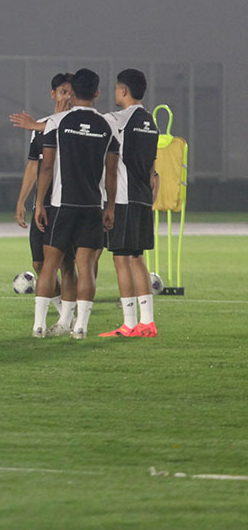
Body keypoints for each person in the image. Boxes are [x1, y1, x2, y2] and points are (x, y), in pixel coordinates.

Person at [33, 68, 119, 339]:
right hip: (93, 206)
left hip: (62, 205)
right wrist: (110, 207)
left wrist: (39, 204)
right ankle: (80, 326)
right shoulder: (108, 125)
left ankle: (38, 326)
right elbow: (112, 172)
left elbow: (46, 168)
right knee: (86, 266)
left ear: (73, 91)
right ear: (96, 92)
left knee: (50, 264)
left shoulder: (57, 122)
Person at [12, 73, 79, 333]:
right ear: (53, 94)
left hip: (68, 203)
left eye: (72, 92)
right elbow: (34, 166)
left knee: (66, 264)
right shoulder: (39, 126)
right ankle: (65, 314)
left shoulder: (76, 125)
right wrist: (22, 200)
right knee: (39, 264)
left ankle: (67, 319)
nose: (68, 97)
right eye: (63, 92)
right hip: (43, 204)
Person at [98, 69, 161, 338]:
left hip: (122, 199)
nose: (114, 94)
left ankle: (129, 323)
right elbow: (152, 170)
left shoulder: (117, 119)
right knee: (138, 259)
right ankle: (147, 323)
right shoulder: (151, 122)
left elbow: (84, 122)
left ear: (123, 91)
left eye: (115, 89)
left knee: (121, 259)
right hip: (143, 198)